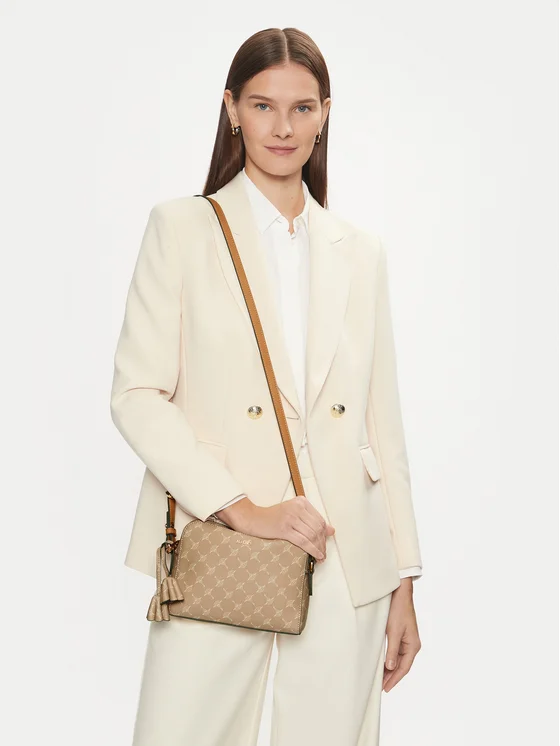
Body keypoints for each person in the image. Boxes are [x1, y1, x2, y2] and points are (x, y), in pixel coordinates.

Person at [110, 26, 423, 746]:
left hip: (346, 551)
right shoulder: (182, 228)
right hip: (221, 539)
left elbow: (383, 425)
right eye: (262, 105)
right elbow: (136, 394)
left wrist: (402, 576)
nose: (283, 127)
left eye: (302, 108)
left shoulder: (360, 252)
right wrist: (242, 508)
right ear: (231, 109)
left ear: (324, 115)